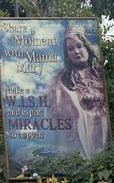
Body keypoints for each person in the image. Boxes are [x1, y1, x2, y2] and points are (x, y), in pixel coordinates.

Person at [47, 30, 109, 159]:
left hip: (100, 128)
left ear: (87, 47)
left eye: (79, 46)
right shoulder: (63, 78)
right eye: (70, 49)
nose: (76, 51)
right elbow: (57, 107)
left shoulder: (100, 71)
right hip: (77, 134)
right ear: (67, 54)